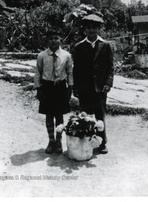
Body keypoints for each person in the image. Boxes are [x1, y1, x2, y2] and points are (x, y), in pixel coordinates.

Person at [73, 14, 114, 154]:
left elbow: (110, 67)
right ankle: (87, 142)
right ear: (84, 29)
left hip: (100, 88)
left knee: (99, 115)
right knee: (85, 115)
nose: (91, 30)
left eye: (94, 28)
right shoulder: (79, 47)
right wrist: (75, 87)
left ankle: (102, 142)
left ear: (98, 29)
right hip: (85, 88)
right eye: (88, 28)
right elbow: (76, 69)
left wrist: (108, 83)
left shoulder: (106, 45)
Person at [33, 29, 73, 154]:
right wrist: (38, 89)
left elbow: (69, 72)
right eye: (51, 38)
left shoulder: (66, 55)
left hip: (60, 87)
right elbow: (38, 73)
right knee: (49, 115)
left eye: (56, 38)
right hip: (47, 88)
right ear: (47, 40)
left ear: (61, 40)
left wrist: (70, 88)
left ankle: (59, 141)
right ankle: (51, 141)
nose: (54, 41)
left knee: (59, 115)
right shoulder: (42, 56)